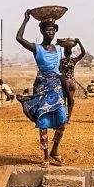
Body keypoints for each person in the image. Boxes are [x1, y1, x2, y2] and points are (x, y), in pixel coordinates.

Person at [15, 9, 69, 168]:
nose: (51, 33)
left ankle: (55, 149)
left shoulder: (59, 49)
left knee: (63, 120)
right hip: (42, 87)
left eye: (53, 30)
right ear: (42, 32)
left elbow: (61, 72)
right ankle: (45, 156)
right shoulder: (36, 48)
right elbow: (18, 38)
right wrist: (25, 20)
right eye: (48, 30)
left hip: (57, 86)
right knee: (43, 121)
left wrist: (68, 94)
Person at [59, 38, 86, 117]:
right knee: (70, 100)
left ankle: (63, 116)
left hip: (65, 82)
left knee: (63, 100)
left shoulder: (61, 61)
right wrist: (79, 42)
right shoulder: (73, 60)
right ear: (71, 53)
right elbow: (83, 53)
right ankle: (69, 117)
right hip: (72, 82)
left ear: (64, 52)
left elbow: (60, 72)